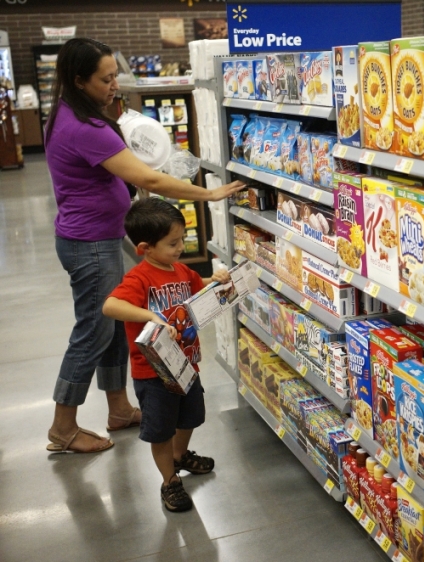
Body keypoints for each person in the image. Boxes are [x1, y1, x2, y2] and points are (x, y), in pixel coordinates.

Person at [44, 38, 243, 454]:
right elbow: (149, 181)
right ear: (79, 80)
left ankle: (118, 408)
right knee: (93, 332)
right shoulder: (83, 127)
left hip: (101, 235)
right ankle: (63, 426)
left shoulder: (70, 113)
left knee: (112, 331)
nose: (114, 84)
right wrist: (207, 193)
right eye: (105, 79)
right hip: (90, 243)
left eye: (115, 75)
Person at [103, 198, 227, 512]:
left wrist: (218, 282)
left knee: (191, 416)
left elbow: (198, 289)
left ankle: (179, 455)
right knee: (160, 429)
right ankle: (169, 480)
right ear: (144, 248)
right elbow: (111, 306)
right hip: (153, 374)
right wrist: (150, 316)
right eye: (173, 243)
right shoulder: (139, 278)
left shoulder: (182, 270)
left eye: (182, 239)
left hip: (186, 365)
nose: (180, 247)